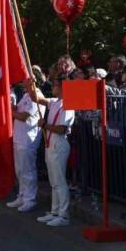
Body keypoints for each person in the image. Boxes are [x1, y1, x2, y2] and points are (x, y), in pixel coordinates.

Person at [31, 77, 75, 227]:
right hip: (50, 144)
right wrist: (31, 84)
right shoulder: (55, 102)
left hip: (59, 144)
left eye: (55, 85)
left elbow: (62, 129)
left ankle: (64, 215)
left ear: (63, 88)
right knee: (53, 181)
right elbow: (36, 98)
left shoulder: (68, 105)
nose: (53, 87)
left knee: (60, 181)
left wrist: (45, 125)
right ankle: (55, 211)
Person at [7, 79, 45, 213]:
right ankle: (22, 195)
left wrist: (11, 112)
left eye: (27, 80)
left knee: (28, 170)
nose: (23, 81)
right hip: (19, 137)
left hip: (28, 139)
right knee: (20, 170)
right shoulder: (25, 95)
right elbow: (18, 109)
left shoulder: (37, 96)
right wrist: (12, 107)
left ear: (33, 82)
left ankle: (30, 199)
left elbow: (23, 116)